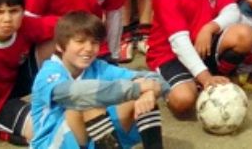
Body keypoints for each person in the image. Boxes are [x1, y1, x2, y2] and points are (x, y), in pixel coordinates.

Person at [144, 0, 252, 116]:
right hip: (169, 53)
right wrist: (204, 78)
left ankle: (217, 76)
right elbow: (179, 43)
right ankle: (167, 82)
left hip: (201, 44)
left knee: (246, 34)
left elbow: (232, 10)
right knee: (184, 101)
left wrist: (210, 27)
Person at [31, 11, 167, 149]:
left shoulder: (98, 66)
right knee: (87, 104)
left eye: (94, 42)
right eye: (80, 42)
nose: (89, 49)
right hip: (51, 144)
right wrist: (137, 88)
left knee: (142, 97)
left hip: (89, 138)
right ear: (59, 46)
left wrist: (148, 92)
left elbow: (160, 81)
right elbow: (77, 93)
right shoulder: (48, 73)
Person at [0, 0, 55, 146]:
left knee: (62, 37)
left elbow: (65, 25)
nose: (7, 19)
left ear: (23, 10)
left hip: (15, 82)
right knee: (42, 129)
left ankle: (61, 87)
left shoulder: (26, 25)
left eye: (13, 11)